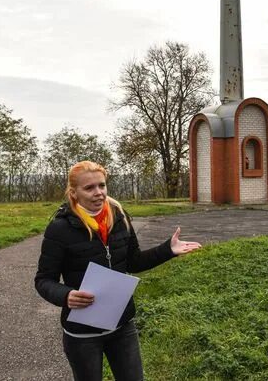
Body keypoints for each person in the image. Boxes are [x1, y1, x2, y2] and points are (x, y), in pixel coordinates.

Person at [35, 161, 201, 381]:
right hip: (82, 334)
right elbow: (44, 280)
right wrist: (66, 296)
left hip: (122, 326)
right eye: (89, 188)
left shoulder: (119, 216)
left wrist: (167, 250)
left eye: (102, 185)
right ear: (74, 193)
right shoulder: (60, 228)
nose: (99, 193)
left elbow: (133, 261)